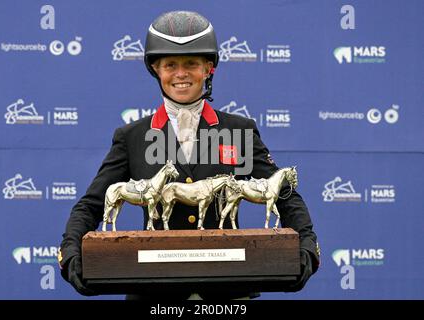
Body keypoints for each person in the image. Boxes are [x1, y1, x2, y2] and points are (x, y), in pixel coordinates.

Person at [59, 10, 320, 299]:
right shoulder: (131, 137)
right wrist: (72, 251)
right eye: (170, 64)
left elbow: (283, 193)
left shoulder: (239, 130)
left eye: (191, 64)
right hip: (154, 294)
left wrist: (306, 244)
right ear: (156, 69)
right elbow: (93, 203)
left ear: (209, 68)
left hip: (228, 295)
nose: (181, 74)